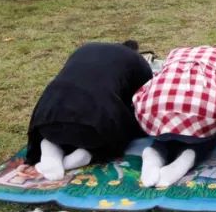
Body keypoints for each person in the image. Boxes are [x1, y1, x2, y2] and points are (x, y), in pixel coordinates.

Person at [26, 40, 152, 181]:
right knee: (128, 125)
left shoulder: (85, 48)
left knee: (63, 128)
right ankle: (90, 153)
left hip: (48, 115)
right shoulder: (138, 61)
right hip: (94, 125)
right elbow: (144, 100)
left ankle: (50, 145)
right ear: (136, 51)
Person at [133, 45, 216, 189]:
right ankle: (191, 155)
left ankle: (155, 150)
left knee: (167, 130)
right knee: (209, 130)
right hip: (200, 116)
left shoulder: (175, 52)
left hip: (154, 112)